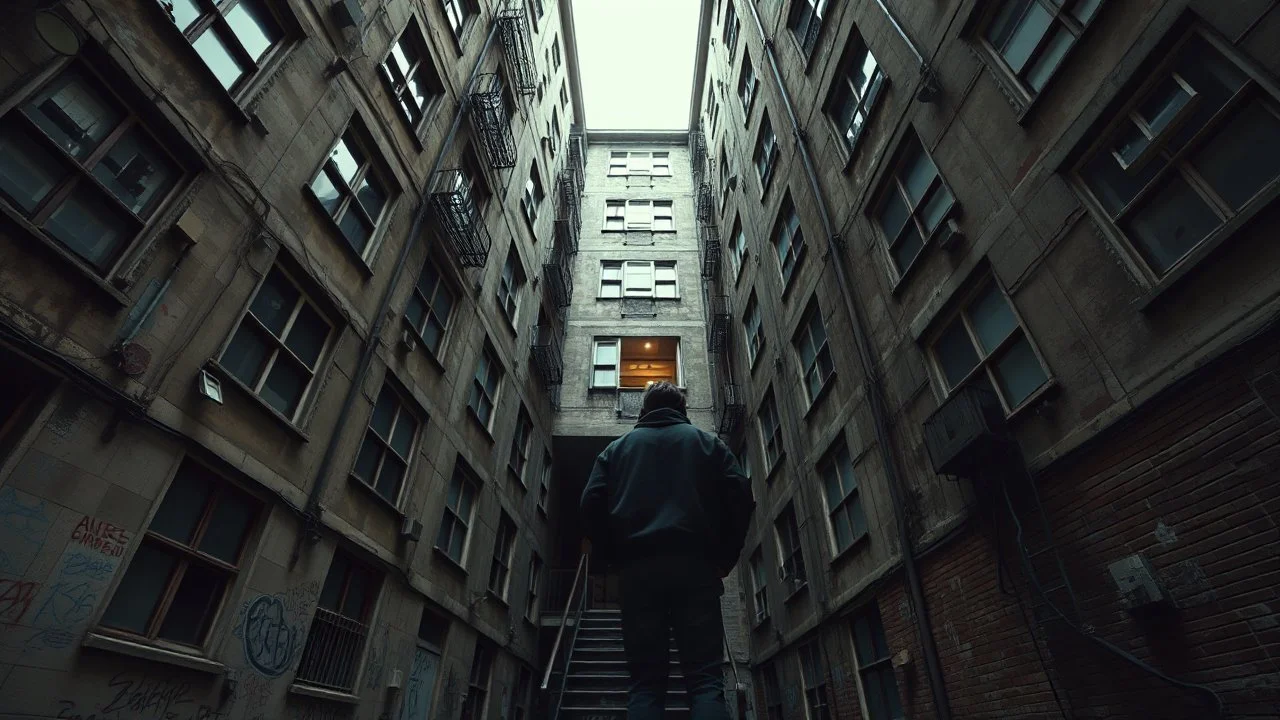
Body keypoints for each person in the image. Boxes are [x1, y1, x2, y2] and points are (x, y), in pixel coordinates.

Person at [580, 381, 755, 720]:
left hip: (638, 571)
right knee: (705, 682)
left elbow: (589, 505)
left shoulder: (617, 450)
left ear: (643, 410)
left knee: (645, 684)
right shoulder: (708, 445)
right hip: (697, 567)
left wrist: (614, 556)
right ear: (683, 411)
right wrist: (725, 556)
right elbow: (741, 498)